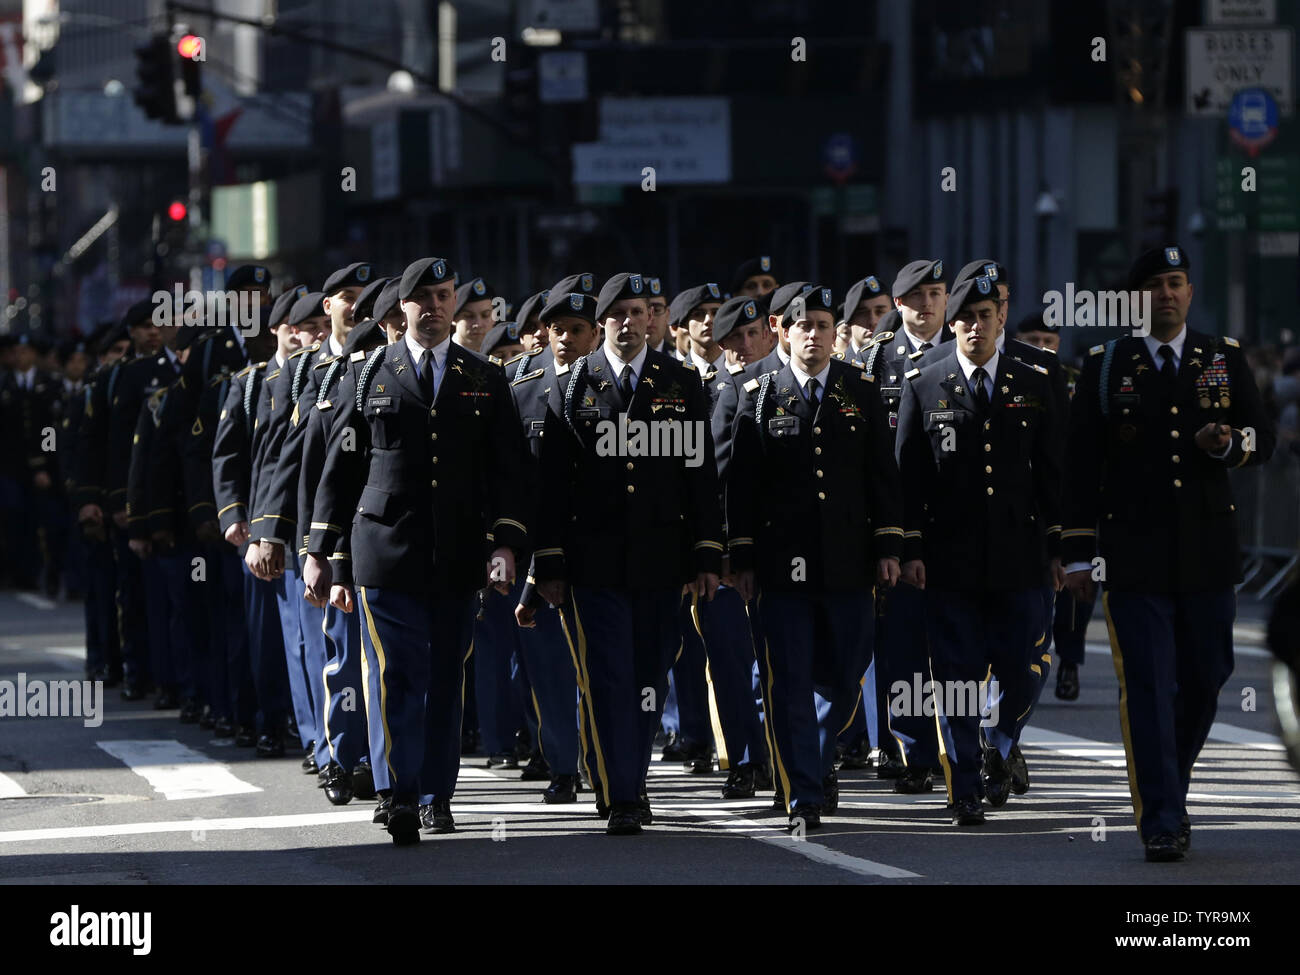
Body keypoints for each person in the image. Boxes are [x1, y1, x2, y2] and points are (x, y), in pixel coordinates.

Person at [303, 256, 531, 845]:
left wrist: (505, 544)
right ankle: (399, 793)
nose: (434, 308)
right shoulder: (368, 374)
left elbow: (506, 472)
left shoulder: (484, 377)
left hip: (457, 554)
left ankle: (437, 794)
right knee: (398, 674)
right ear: (400, 309)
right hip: (385, 550)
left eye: (443, 296)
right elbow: (341, 468)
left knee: (445, 675)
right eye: (422, 298)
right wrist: (319, 549)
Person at [1063, 244, 1275, 861]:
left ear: (1189, 290)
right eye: (1155, 284)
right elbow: (1080, 468)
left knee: (1208, 678)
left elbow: (1262, 439)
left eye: (1177, 282)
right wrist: (1078, 554)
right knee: (1151, 686)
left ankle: (1169, 785)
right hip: (1134, 556)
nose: (1168, 293)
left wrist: (1228, 442)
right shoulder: (1105, 366)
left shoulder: (1222, 357)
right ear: (1137, 298)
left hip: (1208, 552)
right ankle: (1160, 816)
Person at [532, 272, 723, 835]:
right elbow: (553, 486)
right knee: (609, 675)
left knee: (649, 677)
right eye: (618, 314)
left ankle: (627, 775)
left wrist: (706, 555)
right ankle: (623, 791)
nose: (630, 322)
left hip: (662, 559)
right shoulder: (574, 385)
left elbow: (699, 474)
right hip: (596, 562)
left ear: (651, 319)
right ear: (601, 323)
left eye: (640, 312)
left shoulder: (679, 380)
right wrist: (551, 563)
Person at [726, 284, 902, 830]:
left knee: (845, 675)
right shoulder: (757, 391)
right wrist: (744, 558)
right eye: (805, 326)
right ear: (782, 329)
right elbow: (740, 485)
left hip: (849, 564)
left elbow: (882, 476)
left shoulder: (859, 387)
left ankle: (815, 760)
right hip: (783, 567)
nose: (816, 335)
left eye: (825, 326)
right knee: (790, 679)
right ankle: (803, 789)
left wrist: (889, 546)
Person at [896, 273, 1063, 826]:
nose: (973, 325)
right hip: (951, 560)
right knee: (957, 676)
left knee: (1022, 667)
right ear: (953, 321)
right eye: (963, 316)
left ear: (1001, 318)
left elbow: (1054, 472)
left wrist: (1062, 548)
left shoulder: (1036, 376)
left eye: (984, 315)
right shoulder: (925, 379)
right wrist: (913, 545)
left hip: (1021, 557)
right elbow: (909, 478)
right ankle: (963, 786)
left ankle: (1002, 738)